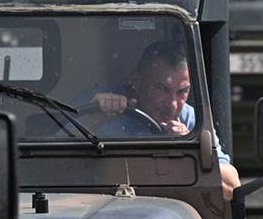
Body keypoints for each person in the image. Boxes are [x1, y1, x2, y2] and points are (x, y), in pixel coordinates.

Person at [90, 40, 240, 199]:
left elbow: (232, 188)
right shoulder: (100, 106)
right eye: (161, 89)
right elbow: (63, 167)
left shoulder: (190, 120)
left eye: (182, 91)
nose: (173, 104)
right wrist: (93, 119)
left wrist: (192, 147)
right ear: (136, 81)